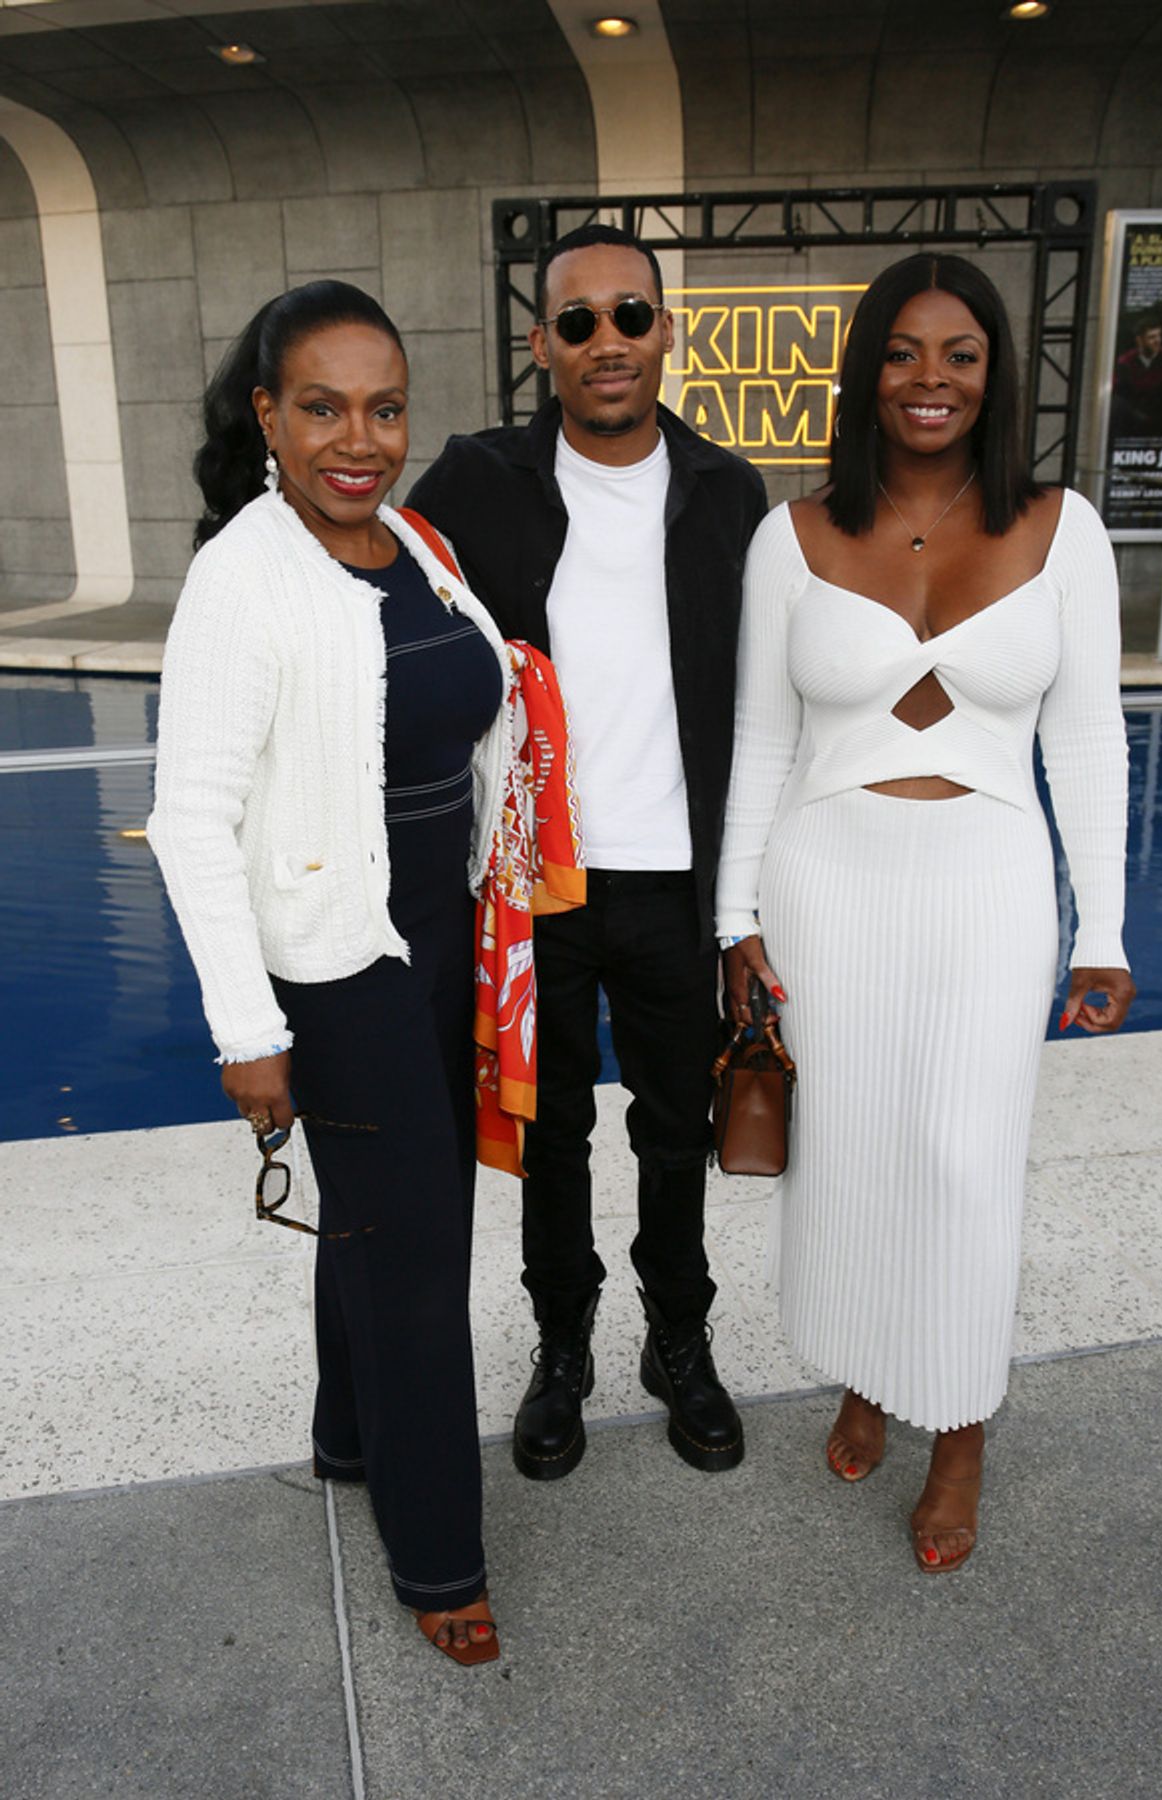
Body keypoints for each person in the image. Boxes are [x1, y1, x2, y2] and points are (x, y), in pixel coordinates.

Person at [716, 253, 1135, 1572]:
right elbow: (757, 736)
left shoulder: (1064, 529)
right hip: (824, 882)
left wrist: (1107, 926)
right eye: (903, 351)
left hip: (989, 886)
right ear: (866, 373)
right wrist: (737, 918)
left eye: (960, 352)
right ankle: (867, 1368)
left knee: (962, 1158)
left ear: (997, 371)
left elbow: (1094, 742)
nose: (932, 378)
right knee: (845, 1151)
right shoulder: (789, 538)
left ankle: (958, 1430)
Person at [147, 281, 510, 1664]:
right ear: (267, 416)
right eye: (322, 407)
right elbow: (191, 819)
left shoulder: (409, 538)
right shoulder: (244, 578)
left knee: (379, 1225)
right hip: (340, 968)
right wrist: (248, 1030)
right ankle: (441, 1564)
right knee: (420, 1261)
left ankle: (349, 1439)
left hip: (440, 940)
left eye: (383, 407)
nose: (358, 438)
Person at [409, 224, 767, 1480]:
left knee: (676, 1133)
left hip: (677, 885)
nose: (606, 341)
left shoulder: (729, 493)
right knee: (548, 1135)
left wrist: (747, 910)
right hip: (535, 887)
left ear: (666, 330)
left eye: (630, 315)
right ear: (540, 344)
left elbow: (766, 708)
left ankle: (680, 1338)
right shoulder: (476, 479)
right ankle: (564, 1348)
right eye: (578, 323)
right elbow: (375, 592)